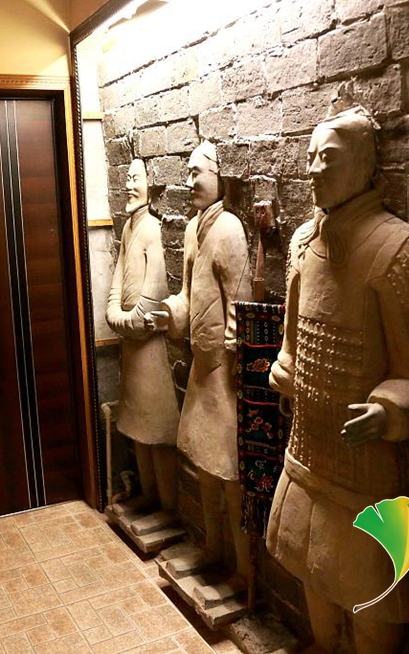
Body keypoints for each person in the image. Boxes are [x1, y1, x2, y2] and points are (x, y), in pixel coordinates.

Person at [266, 107, 409, 653]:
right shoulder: (303, 244)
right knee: (315, 589)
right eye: (311, 156)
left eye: (329, 158)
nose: (314, 169)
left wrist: (388, 410)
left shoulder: (397, 249)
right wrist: (284, 367)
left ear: (364, 167)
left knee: (371, 613)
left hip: (366, 474)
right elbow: (292, 341)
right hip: (307, 455)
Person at [147, 140, 253, 583]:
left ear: (218, 176)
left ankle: (246, 570)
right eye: (188, 173)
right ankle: (214, 547)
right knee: (206, 469)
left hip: (223, 373)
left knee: (230, 475)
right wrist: (170, 314)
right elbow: (189, 294)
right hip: (201, 368)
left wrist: (233, 358)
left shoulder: (229, 228)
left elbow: (240, 302)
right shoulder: (193, 229)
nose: (190, 181)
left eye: (197, 172)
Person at [106, 159, 180, 513]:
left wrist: (125, 320)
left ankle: (168, 507)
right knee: (137, 428)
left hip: (150, 351)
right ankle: (150, 498)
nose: (129, 185)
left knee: (157, 432)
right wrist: (114, 313)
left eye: (135, 178)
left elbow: (151, 300)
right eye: (127, 177)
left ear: (151, 185)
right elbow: (117, 281)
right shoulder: (128, 229)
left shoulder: (151, 229)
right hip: (131, 349)